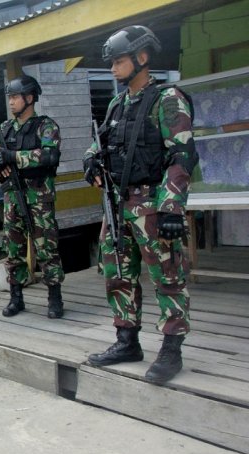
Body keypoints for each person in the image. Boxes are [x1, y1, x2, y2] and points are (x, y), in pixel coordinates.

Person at [84, 26, 198, 384]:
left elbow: (182, 156)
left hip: (153, 203)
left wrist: (171, 209)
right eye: (112, 63)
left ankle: (171, 348)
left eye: (119, 61)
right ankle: (127, 340)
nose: (113, 69)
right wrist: (91, 163)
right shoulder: (118, 104)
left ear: (142, 58)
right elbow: (99, 144)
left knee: (167, 277)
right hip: (118, 206)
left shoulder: (167, 99)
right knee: (117, 273)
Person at [0, 74, 65, 319]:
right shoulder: (4, 130)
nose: (11, 102)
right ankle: (16, 296)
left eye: (16, 97)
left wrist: (14, 157)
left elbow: (50, 155)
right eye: (10, 97)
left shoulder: (46, 126)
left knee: (46, 247)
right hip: (12, 199)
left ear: (29, 98)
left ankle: (54, 296)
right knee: (13, 248)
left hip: (38, 196)